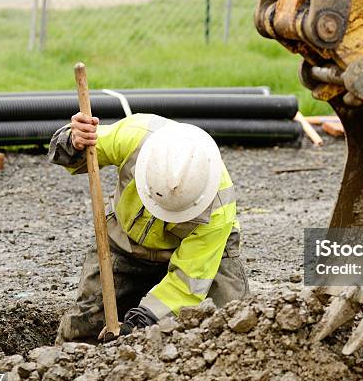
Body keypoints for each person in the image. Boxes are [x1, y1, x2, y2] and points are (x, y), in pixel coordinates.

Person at [48, 112, 249, 343]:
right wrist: (74, 142)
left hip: (203, 257)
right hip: (126, 242)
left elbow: (187, 285)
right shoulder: (136, 137)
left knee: (232, 329)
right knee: (82, 330)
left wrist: (138, 324)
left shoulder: (218, 210)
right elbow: (82, 152)